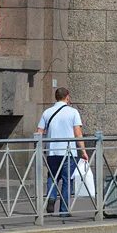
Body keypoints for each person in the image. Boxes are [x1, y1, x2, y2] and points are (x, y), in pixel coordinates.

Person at [35, 87, 88, 217]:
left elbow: (39, 132)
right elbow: (77, 133)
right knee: (67, 180)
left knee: (52, 177)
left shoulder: (47, 112)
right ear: (67, 97)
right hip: (68, 153)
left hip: (51, 152)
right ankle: (64, 210)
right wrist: (83, 151)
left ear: (56, 97)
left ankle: (51, 197)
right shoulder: (73, 112)